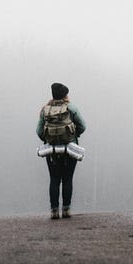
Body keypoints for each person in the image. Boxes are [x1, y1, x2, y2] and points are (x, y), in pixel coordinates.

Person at [36, 82, 87, 220]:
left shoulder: (45, 109)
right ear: (65, 95)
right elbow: (83, 126)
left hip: (52, 151)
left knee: (54, 179)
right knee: (67, 179)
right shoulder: (71, 108)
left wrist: (48, 139)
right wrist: (74, 136)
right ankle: (66, 209)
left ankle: (54, 210)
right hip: (70, 149)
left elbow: (39, 131)